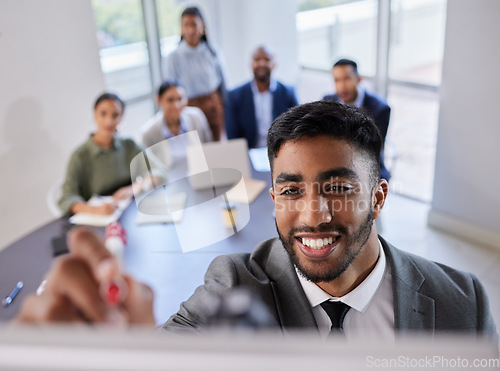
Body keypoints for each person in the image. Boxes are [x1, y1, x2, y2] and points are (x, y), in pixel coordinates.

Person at [18, 101, 497, 342]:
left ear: (379, 196)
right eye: (291, 190)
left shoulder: (464, 304)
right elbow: (167, 351)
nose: (313, 215)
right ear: (272, 197)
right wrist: (120, 348)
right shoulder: (232, 285)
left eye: (338, 187)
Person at [58, 93, 144, 216]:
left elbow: (157, 171)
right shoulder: (80, 156)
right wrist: (94, 210)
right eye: (103, 114)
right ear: (94, 115)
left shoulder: (129, 145)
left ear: (121, 118)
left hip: (129, 212)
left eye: (115, 115)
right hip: (98, 219)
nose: (109, 121)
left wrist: (134, 188)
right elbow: (66, 198)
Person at [323, 59, 392, 181]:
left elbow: (372, 149)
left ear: (359, 79)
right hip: (335, 162)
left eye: (347, 79)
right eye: (337, 80)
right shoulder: (328, 101)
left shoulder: (380, 108)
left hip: (368, 164)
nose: (342, 86)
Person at [164, 6, 225, 141]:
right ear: (181, 28)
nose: (191, 30)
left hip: (213, 106)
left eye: (194, 24)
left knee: (216, 148)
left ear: (202, 27)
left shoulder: (212, 51)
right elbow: (170, 90)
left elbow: (223, 83)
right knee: (195, 150)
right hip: (188, 108)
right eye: (186, 25)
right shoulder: (174, 57)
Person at [225, 45, 298, 148]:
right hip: (249, 153)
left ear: (274, 64)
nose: (262, 63)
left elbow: (296, 129)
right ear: (251, 64)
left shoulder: (288, 93)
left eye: (267, 59)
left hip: (280, 152)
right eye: (257, 59)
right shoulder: (235, 96)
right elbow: (232, 137)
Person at [140, 80, 213, 148]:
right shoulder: (148, 133)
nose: (176, 105)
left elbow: (210, 149)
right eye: (170, 100)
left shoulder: (196, 117)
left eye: (180, 99)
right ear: (159, 100)